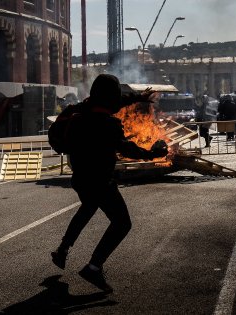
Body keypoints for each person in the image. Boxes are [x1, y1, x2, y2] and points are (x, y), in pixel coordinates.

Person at [50, 74, 168, 293]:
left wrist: (136, 98)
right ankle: (93, 267)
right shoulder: (107, 124)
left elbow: (112, 102)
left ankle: (63, 249)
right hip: (100, 180)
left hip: (80, 177)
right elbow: (127, 148)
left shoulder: (80, 110)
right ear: (110, 97)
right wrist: (153, 153)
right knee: (122, 223)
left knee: (88, 206)